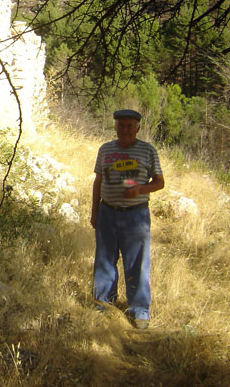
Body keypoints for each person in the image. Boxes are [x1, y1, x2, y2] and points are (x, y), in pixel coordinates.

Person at [90, 109, 165, 329]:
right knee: (104, 261)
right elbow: (98, 182)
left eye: (129, 126)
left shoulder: (147, 151)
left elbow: (160, 182)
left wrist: (140, 189)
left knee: (138, 263)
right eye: (121, 125)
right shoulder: (105, 150)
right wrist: (94, 212)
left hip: (136, 215)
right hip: (107, 212)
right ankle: (102, 305)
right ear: (115, 126)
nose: (125, 130)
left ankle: (139, 311)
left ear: (138, 128)